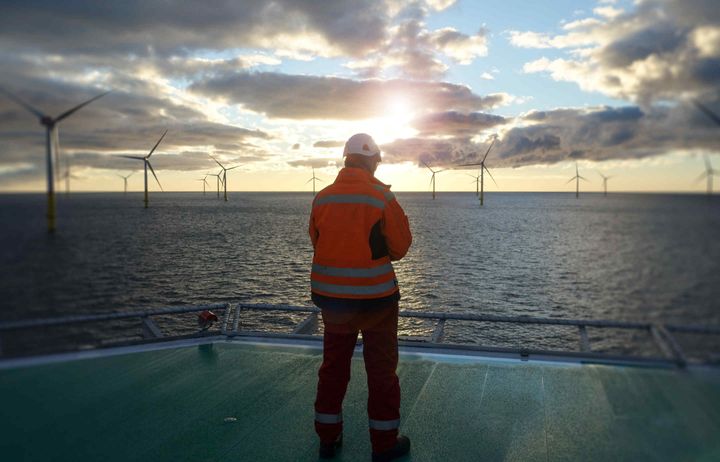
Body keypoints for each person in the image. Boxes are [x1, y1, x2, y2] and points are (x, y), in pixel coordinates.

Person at [309, 133, 412, 461]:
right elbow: (400, 247)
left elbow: (318, 240)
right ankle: (384, 445)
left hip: (333, 302)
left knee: (333, 368)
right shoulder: (382, 198)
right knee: (381, 372)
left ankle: (328, 438)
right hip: (376, 302)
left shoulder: (322, 199)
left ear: (346, 159)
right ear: (372, 161)